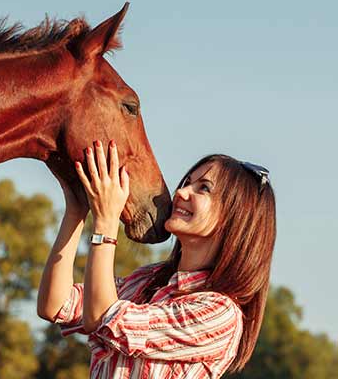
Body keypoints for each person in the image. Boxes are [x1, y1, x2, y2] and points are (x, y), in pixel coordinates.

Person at [37, 139, 276, 378]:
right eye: (188, 183)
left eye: (203, 188)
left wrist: (106, 222)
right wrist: (76, 210)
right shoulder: (148, 280)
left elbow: (105, 319)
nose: (181, 192)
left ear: (235, 218)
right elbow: (56, 305)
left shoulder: (220, 314)